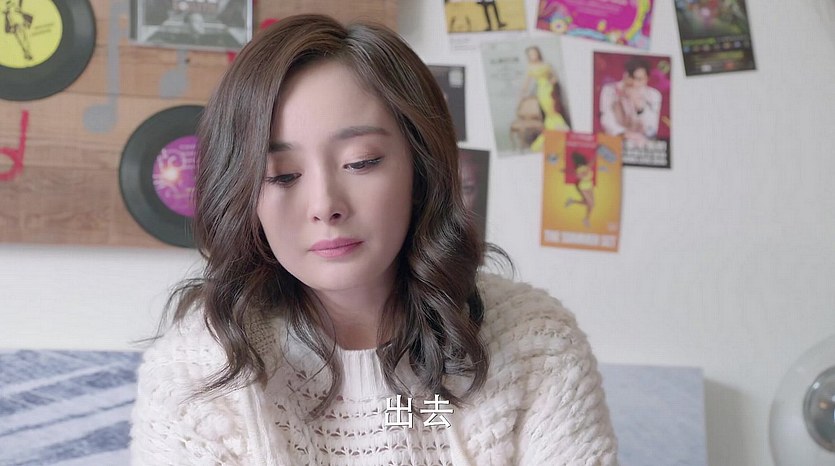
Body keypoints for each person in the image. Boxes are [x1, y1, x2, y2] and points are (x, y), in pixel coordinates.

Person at [130, 14, 617, 465]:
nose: (325, 205)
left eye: (361, 162)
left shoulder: (535, 344)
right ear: (241, 192)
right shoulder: (195, 375)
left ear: (420, 168)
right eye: (282, 175)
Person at [519, 46, 570, 152]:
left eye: (534, 53)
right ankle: (553, 131)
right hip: (542, 92)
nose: (533, 55)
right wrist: (522, 95)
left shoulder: (546, 64)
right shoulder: (530, 67)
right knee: (548, 112)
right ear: (528, 56)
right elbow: (526, 84)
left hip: (550, 90)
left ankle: (557, 130)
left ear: (538, 53)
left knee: (554, 110)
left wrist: (551, 82)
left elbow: (554, 77)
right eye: (530, 54)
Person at [598, 57, 662, 143]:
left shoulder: (654, 95)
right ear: (625, 75)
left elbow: (651, 128)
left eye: (639, 79)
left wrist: (639, 107)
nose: (634, 83)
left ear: (647, 79)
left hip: (641, 142)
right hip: (616, 139)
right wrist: (624, 133)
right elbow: (606, 118)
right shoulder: (609, 90)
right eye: (631, 77)